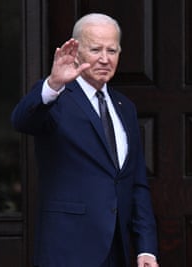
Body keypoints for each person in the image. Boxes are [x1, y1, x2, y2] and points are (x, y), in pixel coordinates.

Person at [12, 13, 159, 267]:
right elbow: (22, 120)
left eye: (111, 50)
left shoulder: (126, 108)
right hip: (69, 250)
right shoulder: (56, 98)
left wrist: (146, 248)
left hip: (118, 250)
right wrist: (52, 84)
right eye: (95, 49)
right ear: (77, 51)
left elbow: (136, 184)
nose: (104, 58)